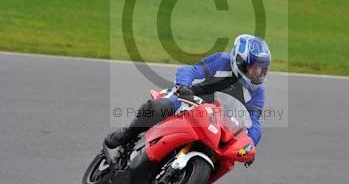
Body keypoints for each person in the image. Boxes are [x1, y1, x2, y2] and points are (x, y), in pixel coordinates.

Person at [103, 34, 271, 165]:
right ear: (240, 61)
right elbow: (191, 71)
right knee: (160, 107)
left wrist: (250, 145)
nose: (258, 74)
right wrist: (183, 86)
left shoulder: (257, 92)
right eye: (254, 68)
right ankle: (127, 134)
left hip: (217, 124)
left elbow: (254, 122)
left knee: (225, 157)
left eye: (262, 70)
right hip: (190, 101)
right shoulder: (222, 61)